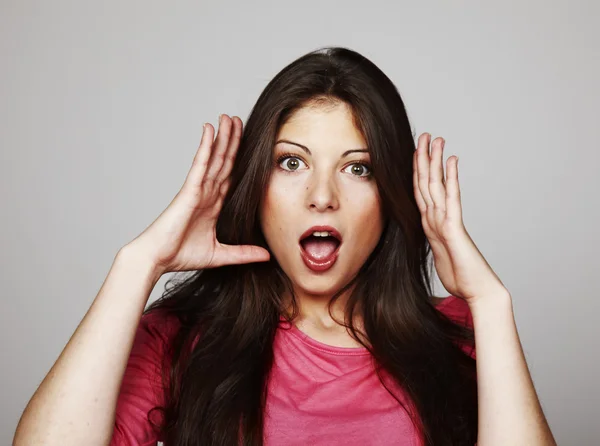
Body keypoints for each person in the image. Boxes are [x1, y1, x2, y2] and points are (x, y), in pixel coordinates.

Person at [13, 46, 556, 446]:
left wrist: (491, 302)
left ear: (392, 194)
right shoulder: (180, 340)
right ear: (258, 184)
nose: (322, 197)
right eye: (292, 162)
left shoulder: (462, 336)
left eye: (358, 168)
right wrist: (138, 264)